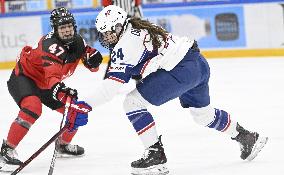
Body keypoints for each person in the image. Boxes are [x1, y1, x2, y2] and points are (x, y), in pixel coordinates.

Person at [91, 5, 269, 175]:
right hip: (198, 63)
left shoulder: (126, 43)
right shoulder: (137, 26)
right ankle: (246, 137)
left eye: (108, 32)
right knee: (203, 116)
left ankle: (155, 155)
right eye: (104, 34)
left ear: (119, 26)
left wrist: (83, 104)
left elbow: (110, 88)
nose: (106, 37)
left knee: (132, 102)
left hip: (182, 70)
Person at [0, 7, 102, 171]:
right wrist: (62, 90)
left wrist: (94, 61)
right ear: (55, 29)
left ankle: (62, 145)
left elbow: (89, 59)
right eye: (62, 27)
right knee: (32, 107)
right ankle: (6, 152)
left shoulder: (78, 42)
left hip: (47, 83)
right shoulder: (51, 45)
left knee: (76, 112)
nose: (67, 30)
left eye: (69, 26)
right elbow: (52, 78)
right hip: (25, 78)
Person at [101, 0, 143, 80]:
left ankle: (137, 76)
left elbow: (137, 6)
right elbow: (106, 7)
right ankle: (108, 78)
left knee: (134, 51)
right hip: (116, 23)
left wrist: (139, 22)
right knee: (115, 52)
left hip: (130, 22)